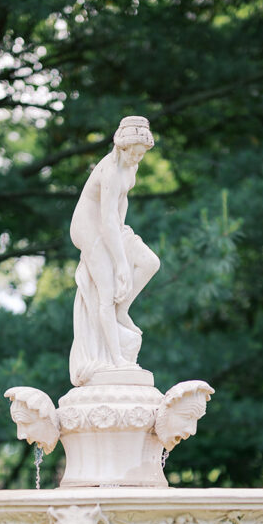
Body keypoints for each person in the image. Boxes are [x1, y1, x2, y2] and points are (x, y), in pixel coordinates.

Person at [69, 116, 159, 386]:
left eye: (143, 154)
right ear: (123, 148)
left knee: (149, 262)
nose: (139, 159)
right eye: (136, 153)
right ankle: (116, 358)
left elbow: (122, 202)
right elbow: (104, 218)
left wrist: (122, 229)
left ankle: (123, 310)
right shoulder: (109, 170)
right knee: (106, 292)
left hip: (110, 223)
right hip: (88, 226)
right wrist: (120, 263)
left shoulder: (130, 168)